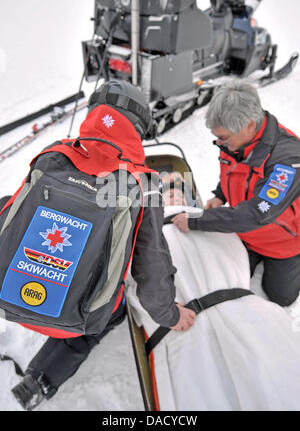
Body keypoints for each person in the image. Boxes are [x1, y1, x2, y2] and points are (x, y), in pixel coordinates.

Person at [6, 80, 195, 410]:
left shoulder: (53, 156)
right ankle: (42, 378)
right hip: (75, 319)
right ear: (138, 127)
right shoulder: (142, 184)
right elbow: (151, 267)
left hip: (11, 294)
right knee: (111, 312)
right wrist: (168, 315)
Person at [126, 181, 300, 411]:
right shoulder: (146, 231)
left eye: (180, 196)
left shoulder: (207, 219)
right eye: (170, 196)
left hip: (237, 303)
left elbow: (233, 248)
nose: (177, 200)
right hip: (187, 320)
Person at [172, 79, 300, 307]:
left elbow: (257, 213)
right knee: (221, 280)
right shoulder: (236, 141)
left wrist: (198, 221)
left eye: (224, 137)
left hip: (283, 239)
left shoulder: (287, 162)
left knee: (281, 296)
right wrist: (220, 194)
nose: (220, 144)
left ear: (250, 125)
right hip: (244, 231)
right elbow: (231, 172)